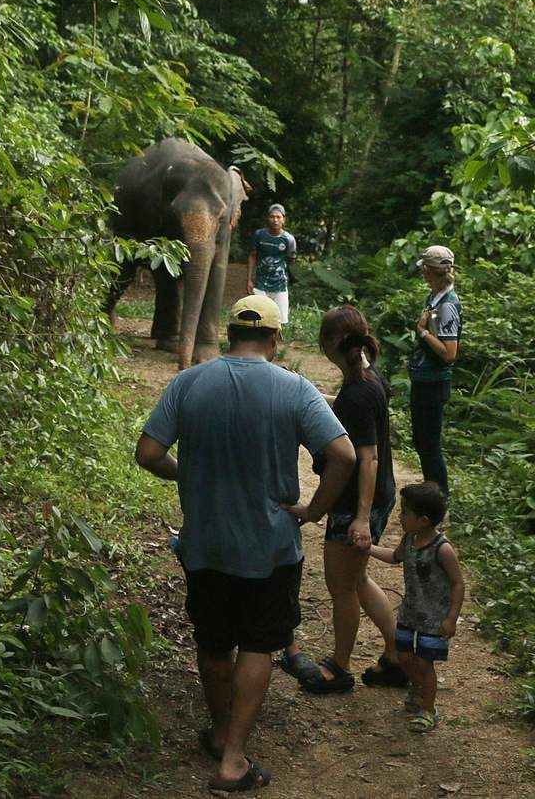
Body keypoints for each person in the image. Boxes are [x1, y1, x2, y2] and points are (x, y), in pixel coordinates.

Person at [135, 294, 356, 792]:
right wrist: (315, 511)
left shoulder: (189, 381)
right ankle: (234, 758)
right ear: (275, 338)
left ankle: (217, 732)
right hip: (271, 546)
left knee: (214, 643)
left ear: (231, 333)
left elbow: (148, 452)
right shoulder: (295, 389)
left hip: (205, 543)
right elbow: (343, 455)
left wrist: (184, 475)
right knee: (259, 644)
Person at [281, 306, 406, 694]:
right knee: (359, 578)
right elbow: (356, 413)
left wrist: (361, 519)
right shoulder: (371, 379)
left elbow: (366, 458)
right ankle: (398, 654)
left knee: (342, 588)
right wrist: (322, 397)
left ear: (331, 344)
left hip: (357, 503)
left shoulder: (359, 393)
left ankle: (339, 666)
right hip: (379, 494)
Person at [368, 482, 465, 733]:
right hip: (409, 613)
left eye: (404, 513)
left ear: (422, 520)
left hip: (433, 619)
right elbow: (394, 557)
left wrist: (451, 618)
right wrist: (368, 548)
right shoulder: (409, 539)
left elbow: (457, 583)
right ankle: (418, 688)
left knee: (424, 663)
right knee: (404, 657)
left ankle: (428, 709)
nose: (399, 517)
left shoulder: (442, 549)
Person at [407, 245, 461, 497]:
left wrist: (423, 332)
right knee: (422, 441)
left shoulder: (447, 305)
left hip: (434, 382)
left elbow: (449, 354)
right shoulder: (435, 297)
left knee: (429, 444)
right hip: (424, 379)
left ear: (429, 270)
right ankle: (432, 491)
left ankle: (439, 497)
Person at [246, 203, 297, 323]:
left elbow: (291, 260)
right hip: (260, 284)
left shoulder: (289, 239)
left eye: (278, 217)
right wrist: (249, 279)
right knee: (259, 318)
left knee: (280, 320)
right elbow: (253, 256)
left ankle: (275, 341)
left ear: (284, 219)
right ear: (267, 218)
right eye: (272, 217)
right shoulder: (259, 235)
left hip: (280, 284)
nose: (275, 220)